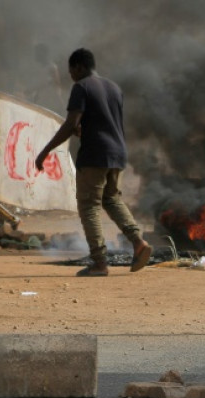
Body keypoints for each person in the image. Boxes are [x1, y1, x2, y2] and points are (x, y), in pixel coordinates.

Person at [34, 48, 151, 277]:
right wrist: (83, 129)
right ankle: (138, 242)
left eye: (71, 71)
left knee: (89, 206)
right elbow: (103, 121)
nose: (71, 76)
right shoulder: (114, 88)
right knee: (112, 199)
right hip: (117, 153)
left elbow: (71, 123)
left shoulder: (82, 87)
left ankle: (99, 262)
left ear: (78, 67)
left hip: (95, 154)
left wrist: (45, 151)